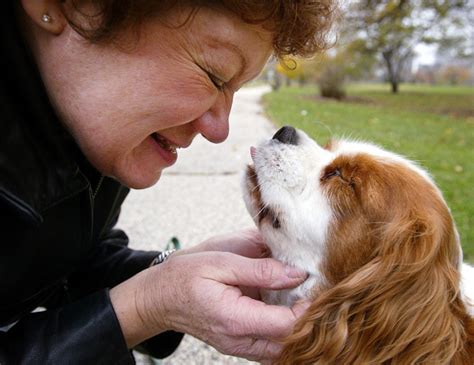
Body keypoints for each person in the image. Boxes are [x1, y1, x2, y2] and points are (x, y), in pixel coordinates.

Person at [0, 0, 336, 363]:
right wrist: (145, 308)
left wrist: (177, 273)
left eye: (235, 90)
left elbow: (66, 260)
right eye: (214, 74)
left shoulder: (89, 125)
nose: (219, 129)